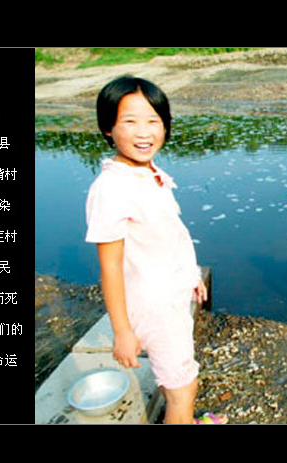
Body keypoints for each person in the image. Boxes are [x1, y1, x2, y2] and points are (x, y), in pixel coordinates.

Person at [85, 75, 227, 424]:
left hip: (170, 294)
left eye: (153, 121)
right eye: (130, 122)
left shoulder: (147, 174)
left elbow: (170, 235)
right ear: (108, 128)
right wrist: (122, 332)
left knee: (172, 377)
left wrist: (191, 275)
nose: (144, 132)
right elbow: (111, 267)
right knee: (183, 389)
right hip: (154, 308)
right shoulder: (112, 189)